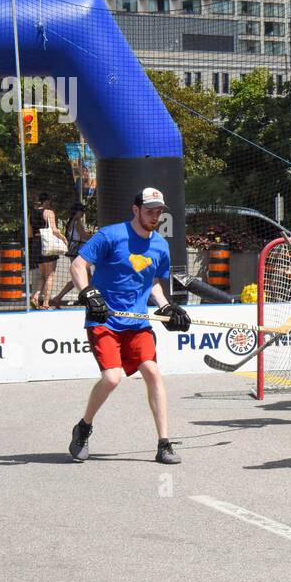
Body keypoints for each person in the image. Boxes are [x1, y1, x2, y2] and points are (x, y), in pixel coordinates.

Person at [68, 187, 190, 465]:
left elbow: (155, 283)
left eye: (159, 211)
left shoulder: (160, 246)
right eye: (149, 211)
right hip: (105, 320)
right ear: (135, 210)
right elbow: (78, 264)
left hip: (137, 323)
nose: (155, 216)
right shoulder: (111, 235)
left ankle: (164, 444)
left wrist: (166, 307)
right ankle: (84, 427)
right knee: (112, 378)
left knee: (153, 372)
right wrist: (88, 293)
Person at [49, 202, 91, 309]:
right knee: (82, 276)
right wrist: (95, 236)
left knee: (83, 276)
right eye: (82, 211)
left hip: (73, 251)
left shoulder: (70, 222)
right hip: (79, 253)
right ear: (77, 212)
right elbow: (85, 237)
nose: (83, 214)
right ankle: (85, 298)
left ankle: (60, 298)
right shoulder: (77, 223)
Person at [29, 192, 67, 310]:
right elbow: (54, 230)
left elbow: (29, 232)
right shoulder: (49, 212)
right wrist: (63, 238)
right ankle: (45, 303)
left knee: (41, 275)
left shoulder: (31, 213)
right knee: (50, 275)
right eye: (50, 201)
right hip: (47, 244)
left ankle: (35, 296)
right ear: (47, 201)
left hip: (36, 244)